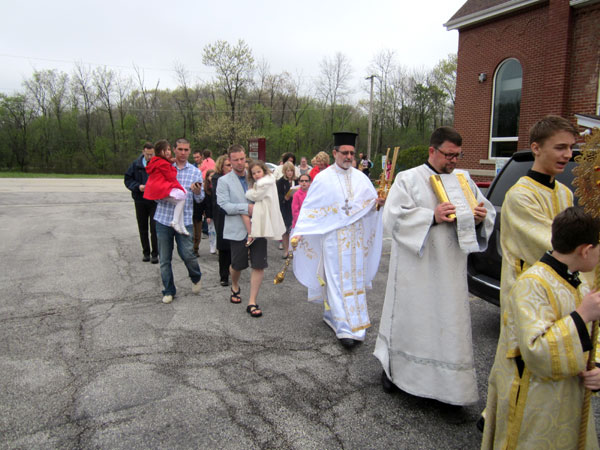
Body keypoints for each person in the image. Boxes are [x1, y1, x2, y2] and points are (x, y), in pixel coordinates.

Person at [373, 126, 495, 407]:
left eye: (457, 155)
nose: (453, 161)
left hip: (451, 268)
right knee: (412, 320)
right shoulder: (409, 178)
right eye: (448, 155)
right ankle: (394, 371)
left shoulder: (464, 179)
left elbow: (484, 212)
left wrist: (479, 218)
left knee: (447, 325)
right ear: (432, 150)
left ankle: (447, 387)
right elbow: (392, 219)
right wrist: (431, 216)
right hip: (416, 268)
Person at [478, 115, 579, 431]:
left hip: (559, 289)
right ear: (536, 148)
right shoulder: (520, 195)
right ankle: (505, 423)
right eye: (560, 147)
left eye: (571, 148)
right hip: (527, 291)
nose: (567, 155)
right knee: (517, 362)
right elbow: (551, 245)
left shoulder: (564, 194)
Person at [481, 206, 600, 449]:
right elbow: (537, 352)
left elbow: (592, 338)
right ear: (586, 250)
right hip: (535, 402)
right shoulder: (532, 285)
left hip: (569, 400)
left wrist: (596, 366)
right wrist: (581, 316)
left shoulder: (578, 283)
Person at [291, 132, 385, 348]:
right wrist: (300, 230)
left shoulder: (362, 178)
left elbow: (369, 208)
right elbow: (311, 208)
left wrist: (377, 204)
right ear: (335, 153)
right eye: (345, 152)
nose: (349, 156)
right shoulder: (323, 178)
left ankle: (354, 321)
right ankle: (343, 326)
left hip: (356, 240)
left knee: (354, 279)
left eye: (352, 153)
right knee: (335, 278)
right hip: (333, 239)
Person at [216, 144, 269, 318]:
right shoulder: (223, 181)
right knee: (237, 264)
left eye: (242, 159)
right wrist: (247, 208)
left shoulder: (255, 177)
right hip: (237, 229)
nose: (240, 163)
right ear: (229, 160)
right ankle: (235, 285)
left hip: (259, 226)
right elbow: (224, 205)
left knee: (258, 264)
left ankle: (252, 301)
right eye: (235, 160)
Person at [153, 138, 204, 304]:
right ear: (173, 149)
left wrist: (196, 192)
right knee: (165, 259)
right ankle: (168, 290)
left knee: (188, 254)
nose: (183, 153)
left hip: (185, 219)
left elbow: (200, 198)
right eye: (180, 149)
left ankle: (195, 276)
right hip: (163, 219)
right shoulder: (164, 166)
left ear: (190, 151)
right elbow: (154, 192)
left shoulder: (195, 172)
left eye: (186, 150)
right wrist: (166, 195)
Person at [144, 140, 189, 236]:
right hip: (161, 189)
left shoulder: (156, 161)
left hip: (156, 190)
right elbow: (171, 176)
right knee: (183, 196)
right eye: (166, 150)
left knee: (180, 202)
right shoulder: (163, 163)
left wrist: (169, 162)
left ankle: (181, 225)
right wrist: (172, 166)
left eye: (169, 149)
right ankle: (176, 222)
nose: (169, 152)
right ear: (160, 152)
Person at [124, 142, 159, 263]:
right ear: (143, 152)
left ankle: (155, 253)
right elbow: (128, 179)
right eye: (148, 154)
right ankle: (146, 252)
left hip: (154, 201)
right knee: (142, 227)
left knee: (154, 228)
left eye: (152, 154)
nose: (150, 157)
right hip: (140, 200)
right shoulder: (136, 164)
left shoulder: (157, 164)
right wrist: (138, 187)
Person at [244, 160, 286, 248]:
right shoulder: (268, 181)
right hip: (268, 206)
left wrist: (249, 192)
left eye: (259, 172)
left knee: (262, 228)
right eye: (254, 173)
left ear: (264, 170)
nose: (256, 175)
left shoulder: (264, 183)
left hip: (265, 208)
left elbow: (256, 196)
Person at [211, 155, 233, 286]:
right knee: (224, 246)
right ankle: (224, 275)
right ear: (221, 166)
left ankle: (232, 270)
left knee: (234, 245)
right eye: (228, 165)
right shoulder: (217, 179)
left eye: (231, 165)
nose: (230, 168)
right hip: (221, 215)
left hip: (234, 215)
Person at [276, 161, 298, 258]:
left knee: (294, 230)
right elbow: (277, 195)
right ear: (284, 171)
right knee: (285, 230)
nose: (290, 173)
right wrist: (284, 198)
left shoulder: (297, 181)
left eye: (291, 171)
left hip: (295, 207)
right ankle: (286, 250)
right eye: (288, 171)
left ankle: (294, 250)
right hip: (285, 208)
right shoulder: (280, 182)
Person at [203, 169, 217, 254]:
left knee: (218, 231)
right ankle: (212, 246)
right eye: (210, 176)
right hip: (210, 213)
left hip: (217, 212)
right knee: (212, 231)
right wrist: (208, 215)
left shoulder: (218, 186)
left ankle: (217, 246)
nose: (212, 178)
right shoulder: (207, 189)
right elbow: (207, 204)